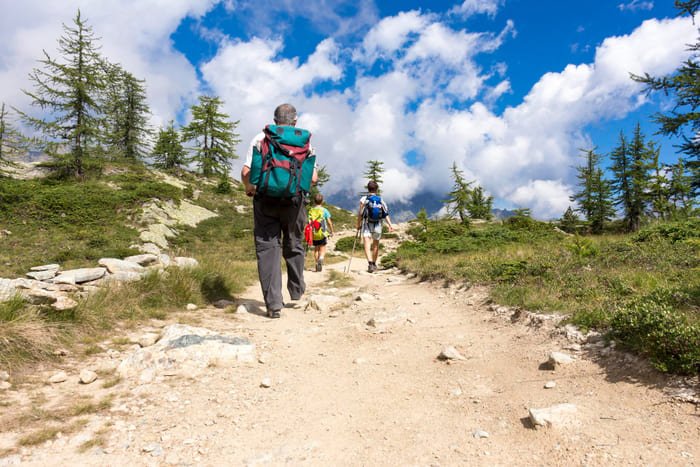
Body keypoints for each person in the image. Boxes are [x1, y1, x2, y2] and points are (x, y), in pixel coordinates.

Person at [241, 104, 318, 318]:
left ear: (275, 120)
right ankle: (296, 289)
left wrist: (249, 188)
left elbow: (246, 171)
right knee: (294, 242)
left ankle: (274, 305)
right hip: (294, 202)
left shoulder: (260, 139)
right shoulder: (305, 143)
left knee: (267, 249)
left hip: (265, 200)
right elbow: (312, 178)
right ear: (295, 121)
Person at [357, 180, 393, 273]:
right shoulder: (380, 200)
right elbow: (386, 213)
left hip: (366, 224)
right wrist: (390, 225)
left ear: (368, 188)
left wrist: (358, 224)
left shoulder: (364, 199)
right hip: (378, 224)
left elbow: (360, 213)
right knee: (376, 245)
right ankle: (374, 263)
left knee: (367, 245)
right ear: (376, 189)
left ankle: (370, 264)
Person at [308, 193, 334, 272]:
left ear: (314, 201)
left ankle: (316, 264)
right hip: (322, 233)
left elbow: (309, 222)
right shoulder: (324, 210)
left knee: (316, 249)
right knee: (322, 248)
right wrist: (332, 231)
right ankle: (321, 258)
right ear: (322, 201)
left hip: (314, 233)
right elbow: (329, 222)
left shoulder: (311, 210)